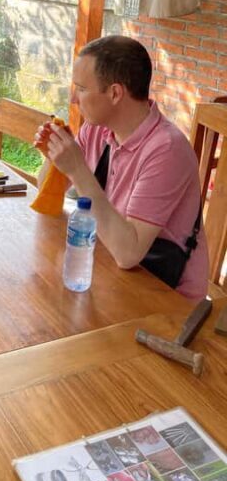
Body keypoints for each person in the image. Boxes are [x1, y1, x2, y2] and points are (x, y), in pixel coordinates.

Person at [34, 35, 208, 299]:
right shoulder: (96, 129)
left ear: (115, 93)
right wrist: (53, 155)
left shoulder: (167, 150)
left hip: (165, 299)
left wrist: (78, 170)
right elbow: (46, 195)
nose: (73, 98)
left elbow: (129, 253)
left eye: (81, 88)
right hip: (109, 271)